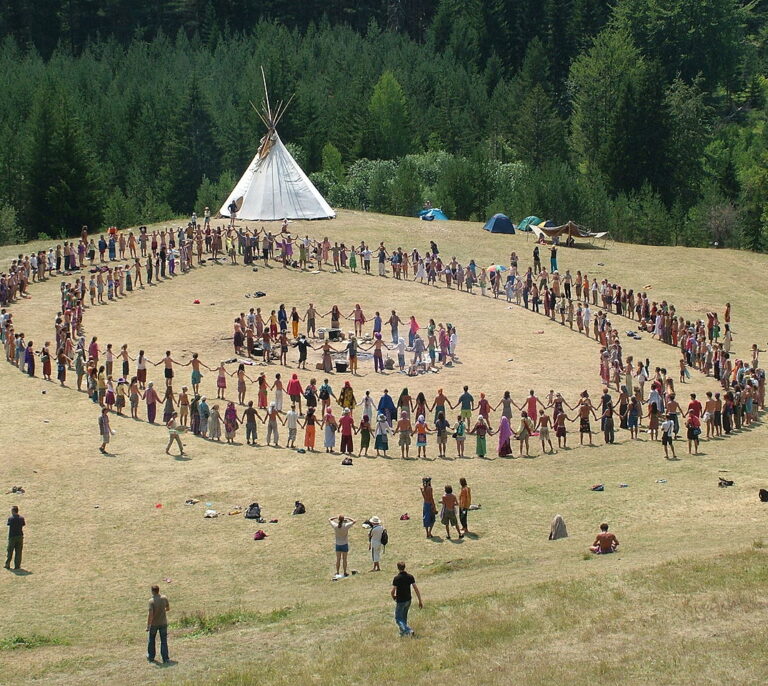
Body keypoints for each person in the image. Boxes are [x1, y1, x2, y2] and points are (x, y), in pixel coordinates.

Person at [391, 561, 423, 637]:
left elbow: (392, 591)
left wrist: (393, 597)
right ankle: (403, 633)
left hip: (400, 600)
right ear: (404, 567)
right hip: (408, 600)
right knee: (404, 617)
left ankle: (408, 631)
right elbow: (416, 589)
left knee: (398, 618)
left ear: (398, 568)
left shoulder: (397, 578)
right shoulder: (410, 577)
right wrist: (420, 601)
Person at [146, 584, 171, 664]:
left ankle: (151, 657)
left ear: (152, 591)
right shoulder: (164, 598)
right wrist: (162, 611)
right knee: (164, 641)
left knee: (152, 640)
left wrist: (148, 625)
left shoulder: (151, 601)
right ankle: (165, 658)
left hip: (154, 624)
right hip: (163, 623)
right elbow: (168, 608)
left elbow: (150, 615)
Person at [5, 506, 25, 570]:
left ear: (13, 511)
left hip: (12, 536)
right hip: (20, 536)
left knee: (10, 551)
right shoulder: (21, 518)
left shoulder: (11, 518)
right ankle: (17, 566)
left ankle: (7, 564)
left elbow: (8, 524)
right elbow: (23, 524)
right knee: (18, 552)